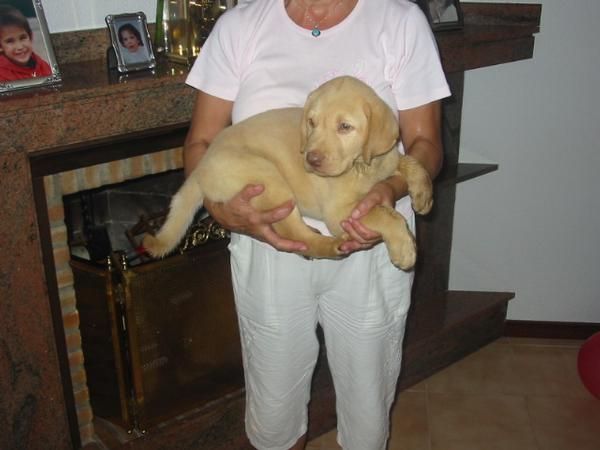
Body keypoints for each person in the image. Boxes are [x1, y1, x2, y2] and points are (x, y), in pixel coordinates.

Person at [184, 1, 450, 449]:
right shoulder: (241, 27)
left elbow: (426, 144)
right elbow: (201, 141)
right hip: (271, 245)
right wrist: (219, 205)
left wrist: (390, 190)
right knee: (274, 417)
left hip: (371, 244)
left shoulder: (398, 21)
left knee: (367, 417)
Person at [0, 5, 52, 81]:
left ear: (30, 36)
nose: (19, 47)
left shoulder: (42, 65)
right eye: (10, 41)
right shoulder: (2, 76)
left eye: (23, 38)